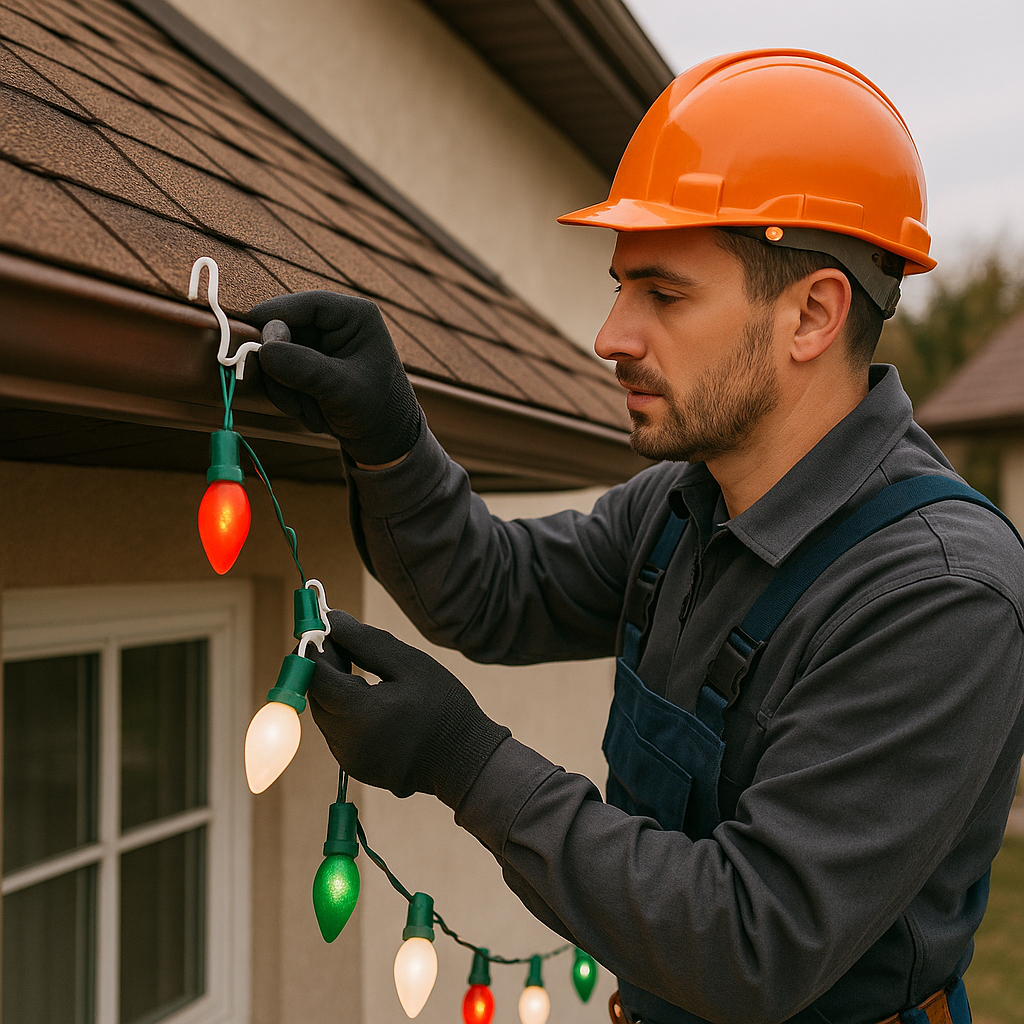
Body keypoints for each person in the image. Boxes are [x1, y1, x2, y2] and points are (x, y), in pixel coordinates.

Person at [249, 50, 1024, 1024]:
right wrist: (389, 437)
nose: (611, 334)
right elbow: (490, 590)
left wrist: (463, 759)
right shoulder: (677, 506)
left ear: (813, 314)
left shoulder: (938, 594)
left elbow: (749, 942)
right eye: (622, 288)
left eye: (663, 294)